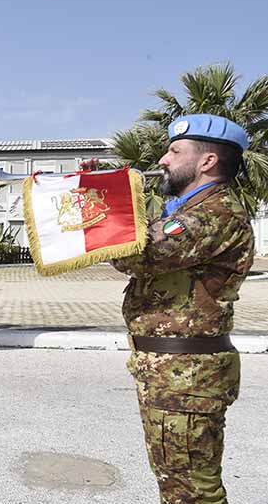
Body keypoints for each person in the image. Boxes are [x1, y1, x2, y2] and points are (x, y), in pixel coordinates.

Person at [111, 114, 254, 503]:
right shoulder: (186, 211)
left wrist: (107, 202)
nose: (163, 159)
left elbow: (139, 253)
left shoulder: (218, 213)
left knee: (194, 491)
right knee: (176, 485)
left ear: (207, 161)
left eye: (175, 151)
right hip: (171, 375)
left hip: (187, 379)